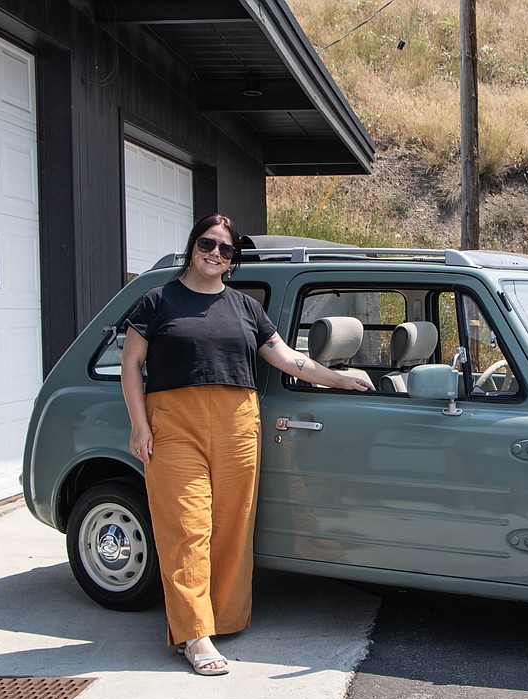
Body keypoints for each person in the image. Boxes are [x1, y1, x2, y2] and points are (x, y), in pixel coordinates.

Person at [121, 213, 373, 675]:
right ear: (191, 245)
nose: (215, 253)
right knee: (186, 527)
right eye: (207, 244)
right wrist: (140, 425)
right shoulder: (157, 301)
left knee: (233, 526)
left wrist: (339, 378)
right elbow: (131, 366)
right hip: (174, 425)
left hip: (238, 422)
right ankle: (195, 634)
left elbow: (290, 359)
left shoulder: (245, 308)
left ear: (233, 260)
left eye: (225, 249)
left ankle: (223, 618)